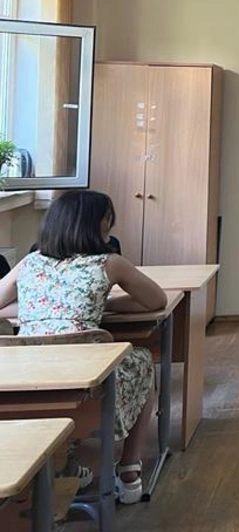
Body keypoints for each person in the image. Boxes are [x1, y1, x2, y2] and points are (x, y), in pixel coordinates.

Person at [0, 191, 168, 504]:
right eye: (108, 219)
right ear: (95, 224)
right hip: (89, 382)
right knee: (143, 360)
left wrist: (42, 308)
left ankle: (65, 467)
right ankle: (129, 470)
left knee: (61, 384)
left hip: (27, 381)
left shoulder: (29, 263)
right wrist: (103, 304)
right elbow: (156, 300)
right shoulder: (109, 263)